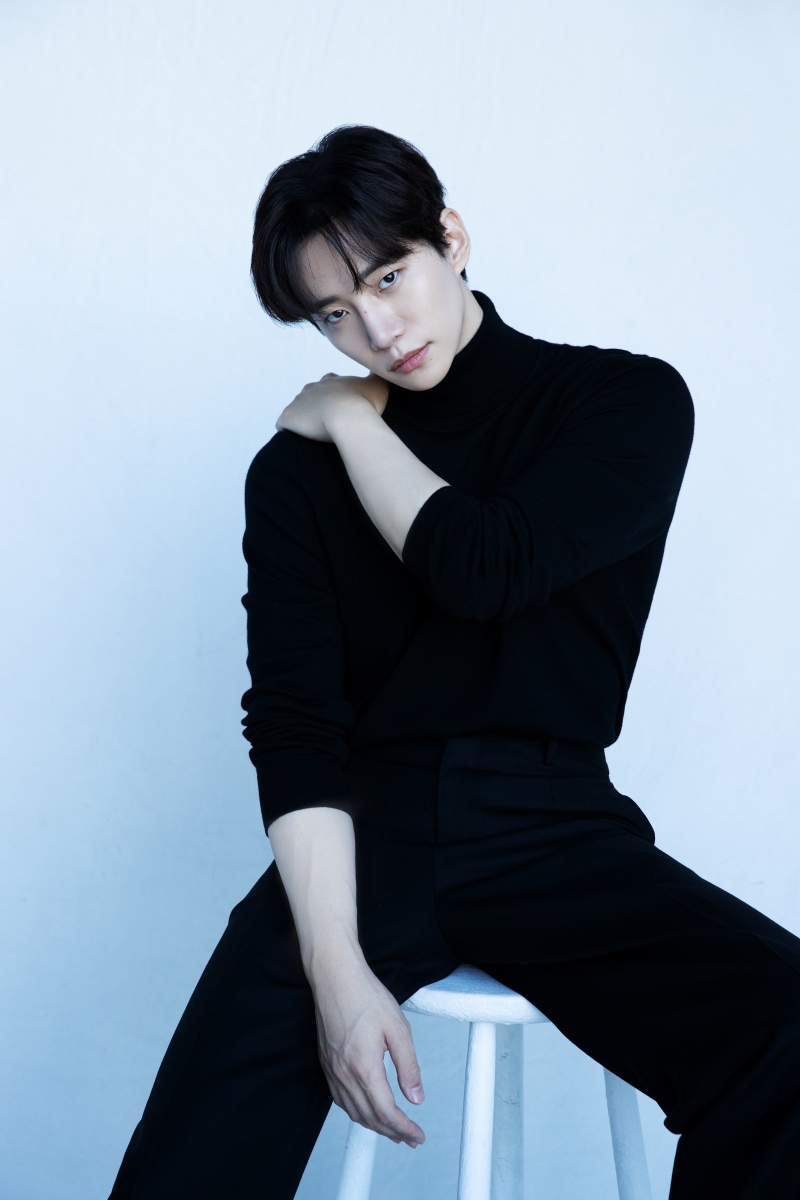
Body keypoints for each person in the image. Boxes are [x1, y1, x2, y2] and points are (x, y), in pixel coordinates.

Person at [107, 124, 800, 1200]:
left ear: (452, 238)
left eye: (388, 278)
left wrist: (351, 422)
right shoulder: (292, 478)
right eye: (333, 315)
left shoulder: (622, 403)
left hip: (550, 825)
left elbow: (483, 566)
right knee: (188, 1162)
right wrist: (338, 977)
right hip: (363, 836)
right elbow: (295, 726)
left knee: (786, 1029)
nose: (375, 331)